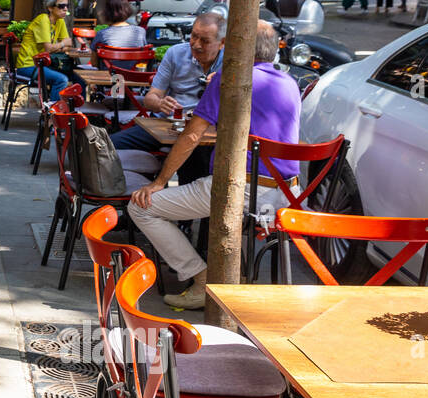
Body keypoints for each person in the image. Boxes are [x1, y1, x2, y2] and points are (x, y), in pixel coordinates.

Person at [127, 20, 301, 311]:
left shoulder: (230, 77)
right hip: (287, 196)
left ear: (237, 46)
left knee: (140, 207)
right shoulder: (290, 82)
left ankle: (201, 278)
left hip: (243, 190)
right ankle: (230, 277)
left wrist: (159, 182)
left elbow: (192, 134)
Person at [110, 12, 225, 185]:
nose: (196, 44)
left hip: (201, 133)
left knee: (194, 172)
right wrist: (159, 103)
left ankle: (182, 206)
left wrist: (219, 88)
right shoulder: (175, 53)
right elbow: (150, 98)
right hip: (166, 125)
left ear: (222, 43)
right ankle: (124, 197)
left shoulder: (231, 64)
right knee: (109, 146)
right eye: (194, 36)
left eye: (205, 41)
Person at [15, 0, 74, 100]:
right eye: (61, 6)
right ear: (50, 7)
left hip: (43, 64)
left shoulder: (59, 21)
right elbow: (50, 48)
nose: (65, 9)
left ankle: (76, 113)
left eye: (67, 5)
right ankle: (53, 114)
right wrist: (61, 45)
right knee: (61, 80)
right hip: (28, 66)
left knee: (78, 76)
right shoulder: (43, 20)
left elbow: (68, 44)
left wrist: (58, 46)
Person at [90, 0, 146, 69]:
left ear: (106, 13)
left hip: (111, 77)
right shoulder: (140, 32)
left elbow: (94, 63)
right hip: (134, 77)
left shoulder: (102, 34)